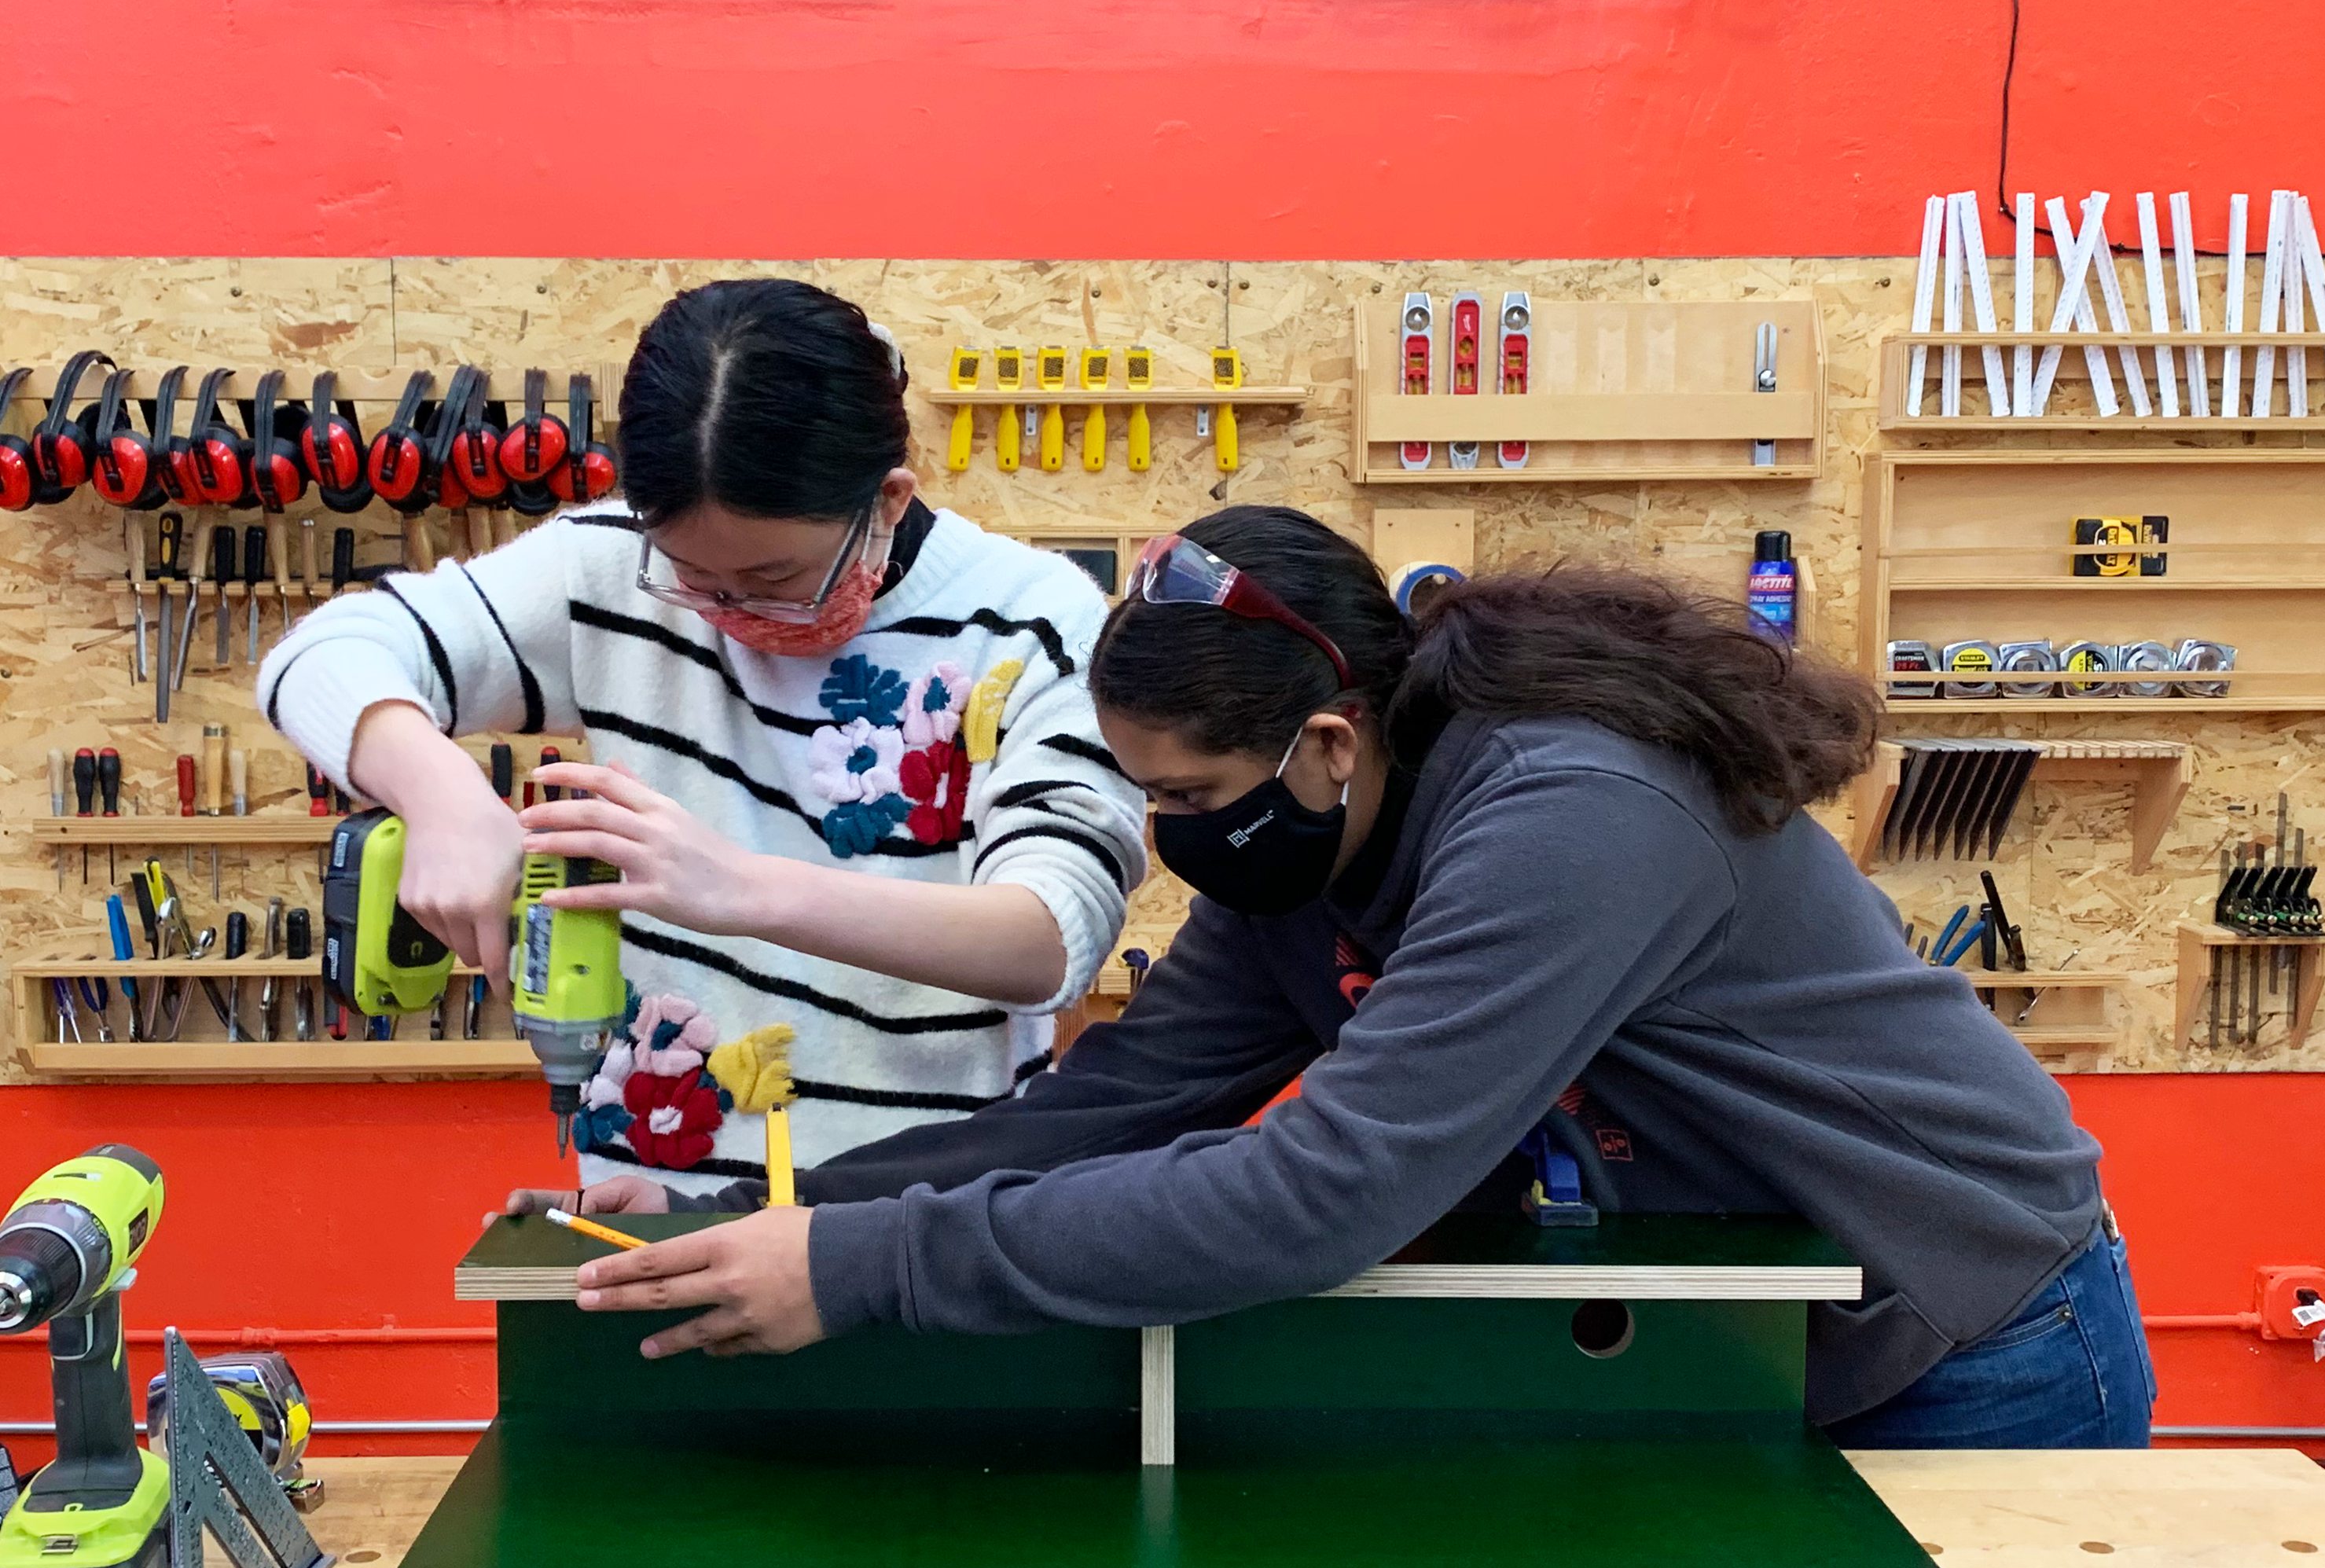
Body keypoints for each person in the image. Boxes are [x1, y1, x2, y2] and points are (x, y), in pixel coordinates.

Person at [527, 503, 2153, 1444]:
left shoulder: (1570, 813)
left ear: (1323, 741)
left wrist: (875, 1273)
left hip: (1972, 1332)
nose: (1172, 841)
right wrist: (775, 1229)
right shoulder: (1309, 846)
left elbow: (1317, 1193)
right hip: (1739, 1344)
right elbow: (1115, 1110)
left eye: (1184, 800)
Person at [262, 278, 1145, 1193]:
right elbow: (321, 658)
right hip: (660, 1201)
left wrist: (735, 887)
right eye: (692, 576)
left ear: (887, 500)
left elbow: (1048, 939)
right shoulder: (605, 568)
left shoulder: (1033, 623)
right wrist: (439, 793)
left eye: (774, 576)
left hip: (920, 1224)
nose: (728, 612)